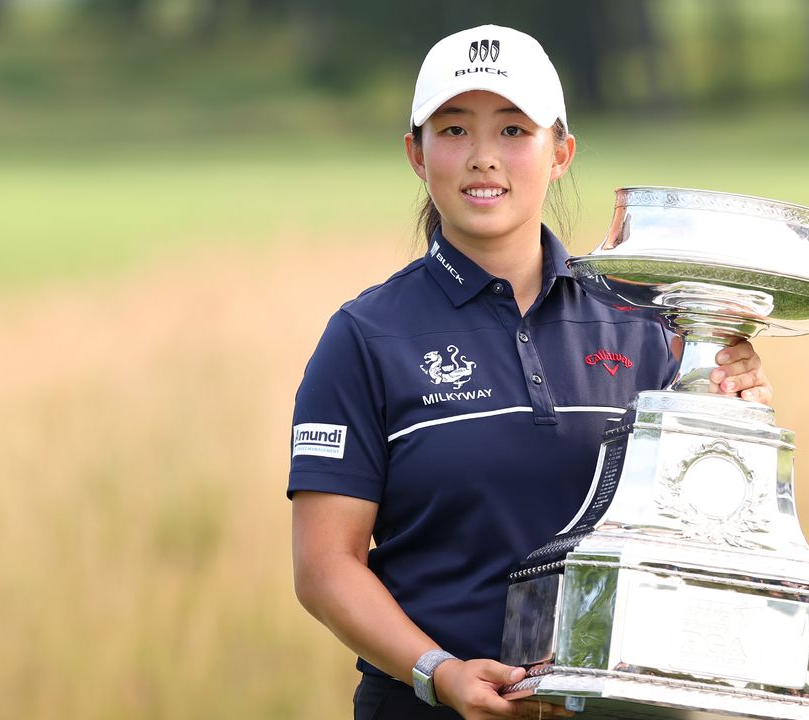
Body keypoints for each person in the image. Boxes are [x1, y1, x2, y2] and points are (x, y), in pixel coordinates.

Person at [288, 24, 773, 720]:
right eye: (453, 130)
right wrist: (439, 672)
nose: (483, 158)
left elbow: (696, 529)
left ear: (561, 152)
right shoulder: (365, 337)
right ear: (416, 156)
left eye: (514, 130)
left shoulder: (644, 324)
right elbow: (324, 568)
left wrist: (730, 409)